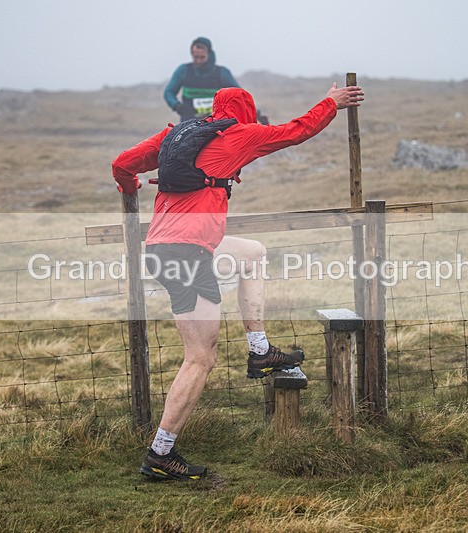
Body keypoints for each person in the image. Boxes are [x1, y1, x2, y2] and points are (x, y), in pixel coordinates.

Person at [112, 82, 364, 480]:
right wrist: (331, 103)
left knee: (254, 253)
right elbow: (296, 131)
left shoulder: (174, 135)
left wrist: (131, 188)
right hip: (186, 255)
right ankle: (160, 453)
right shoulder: (238, 133)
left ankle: (259, 350)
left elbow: (122, 164)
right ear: (245, 112)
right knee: (200, 359)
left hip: (170, 245)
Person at [164, 36, 268, 124]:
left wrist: (257, 114)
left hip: (216, 123)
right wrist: (177, 106)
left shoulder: (222, 73)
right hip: (189, 122)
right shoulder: (183, 71)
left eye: (202, 57)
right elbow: (169, 92)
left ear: (209, 54)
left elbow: (240, 96)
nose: (198, 61)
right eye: (195, 57)